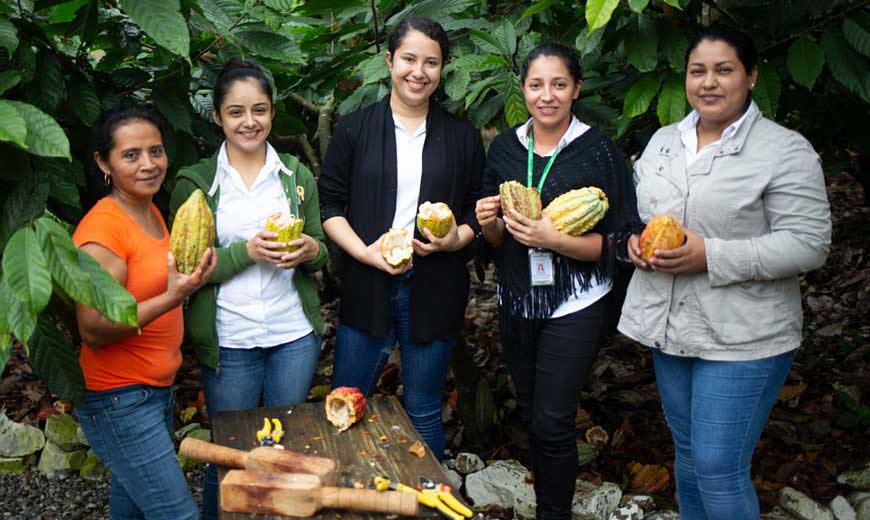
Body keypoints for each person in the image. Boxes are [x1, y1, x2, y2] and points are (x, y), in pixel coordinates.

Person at [618, 25, 831, 519]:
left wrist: (710, 256)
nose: (709, 82)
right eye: (698, 71)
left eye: (724, 70)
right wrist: (634, 240)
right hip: (670, 329)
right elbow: (642, 211)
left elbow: (809, 243)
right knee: (689, 462)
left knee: (718, 466)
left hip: (744, 335)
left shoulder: (783, 149)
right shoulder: (664, 141)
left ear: (751, 76)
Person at [475, 43, 641, 519]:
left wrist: (554, 238)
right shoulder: (506, 147)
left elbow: (620, 242)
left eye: (559, 84)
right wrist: (489, 222)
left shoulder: (599, 151)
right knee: (533, 413)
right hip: (517, 299)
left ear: (576, 89)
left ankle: (554, 514)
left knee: (552, 420)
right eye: (536, 85)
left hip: (576, 302)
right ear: (522, 89)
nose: (547, 96)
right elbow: (496, 240)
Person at [318, 16, 484, 461]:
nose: (419, 71)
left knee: (423, 407)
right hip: (367, 280)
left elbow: (477, 210)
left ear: (442, 69)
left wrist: (455, 239)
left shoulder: (462, 137)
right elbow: (330, 206)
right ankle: (347, 496)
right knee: (346, 398)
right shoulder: (354, 129)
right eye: (409, 58)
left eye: (431, 62)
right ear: (390, 60)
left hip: (434, 284)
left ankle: (425, 501)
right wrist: (365, 254)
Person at [169, 60, 328, 520]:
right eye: (236, 112)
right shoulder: (196, 183)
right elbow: (185, 269)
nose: (249, 121)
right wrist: (247, 253)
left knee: (283, 449)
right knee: (230, 454)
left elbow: (321, 254)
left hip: (292, 335)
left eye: (259, 110)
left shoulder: (295, 176)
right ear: (217, 117)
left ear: (273, 114)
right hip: (230, 339)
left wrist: (307, 250)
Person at [74, 105, 216, 520]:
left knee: (132, 512)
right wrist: (174, 297)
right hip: (118, 398)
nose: (148, 164)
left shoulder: (150, 210)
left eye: (156, 151)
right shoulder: (103, 231)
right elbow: (93, 328)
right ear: (104, 162)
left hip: (153, 390)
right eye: (131, 155)